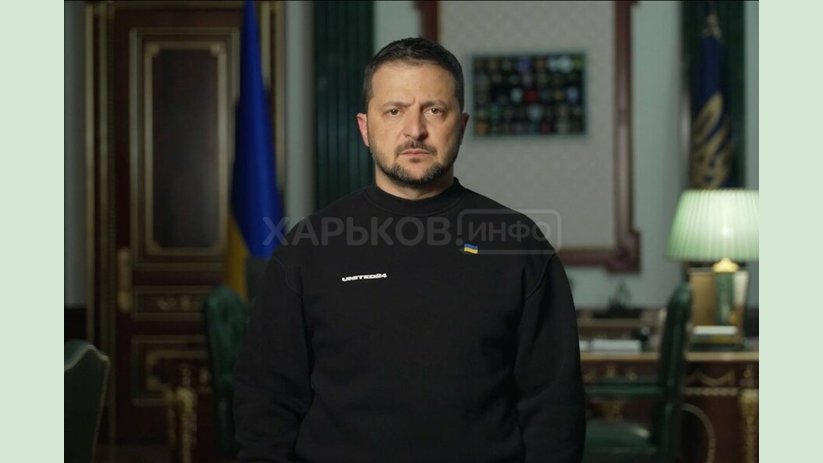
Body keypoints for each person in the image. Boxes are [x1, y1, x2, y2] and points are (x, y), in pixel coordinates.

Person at [234, 37, 585, 463]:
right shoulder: (309, 247)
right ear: (365, 128)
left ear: (461, 125)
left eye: (434, 110)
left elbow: (554, 412)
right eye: (394, 111)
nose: (414, 130)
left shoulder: (519, 243)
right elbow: (266, 403)